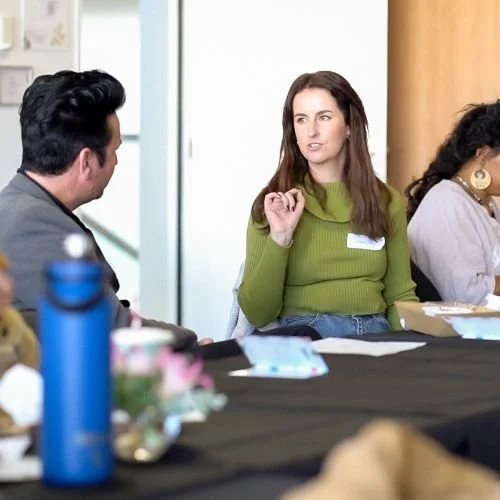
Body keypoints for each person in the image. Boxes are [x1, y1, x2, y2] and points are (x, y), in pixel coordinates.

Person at [0, 69, 204, 349]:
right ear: (86, 161)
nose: (117, 162)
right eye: (114, 150)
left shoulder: (22, 205)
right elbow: (111, 329)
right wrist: (189, 342)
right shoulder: (32, 223)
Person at [237, 70, 417, 338]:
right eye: (301, 119)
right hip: (307, 336)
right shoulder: (275, 203)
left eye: (324, 117)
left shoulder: (385, 200)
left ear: (349, 126)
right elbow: (257, 313)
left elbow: (400, 294)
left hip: (375, 334)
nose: (312, 131)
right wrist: (280, 237)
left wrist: (418, 344)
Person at [406, 101, 500, 305]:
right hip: (460, 330)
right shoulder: (446, 202)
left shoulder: (488, 204)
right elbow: (464, 294)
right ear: (482, 155)